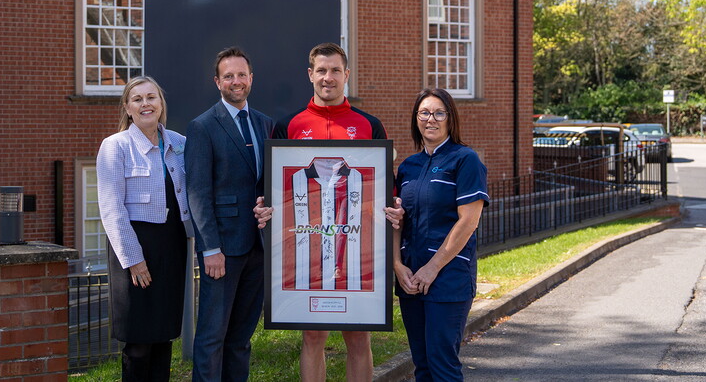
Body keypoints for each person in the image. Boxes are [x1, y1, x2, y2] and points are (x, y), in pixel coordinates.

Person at [270, 42, 387, 382]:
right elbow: (277, 190)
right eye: (321, 70)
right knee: (313, 335)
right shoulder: (289, 125)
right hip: (308, 246)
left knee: (358, 334)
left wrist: (388, 210)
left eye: (335, 70)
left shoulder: (369, 125)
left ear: (346, 75)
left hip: (357, 245)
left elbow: (383, 188)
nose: (328, 77)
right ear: (310, 75)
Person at [186, 47, 274, 382]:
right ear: (217, 82)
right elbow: (198, 193)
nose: (235, 82)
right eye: (228, 76)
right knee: (211, 338)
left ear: (251, 78)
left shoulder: (265, 124)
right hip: (221, 250)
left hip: (258, 247)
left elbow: (269, 183)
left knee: (240, 339)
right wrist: (210, 249)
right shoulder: (203, 126)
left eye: (241, 75)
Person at [96, 75, 191, 382]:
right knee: (138, 342)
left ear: (161, 104)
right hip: (134, 247)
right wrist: (134, 259)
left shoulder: (180, 144)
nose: (145, 103)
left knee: (163, 336)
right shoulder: (115, 147)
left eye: (152, 97)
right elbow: (112, 209)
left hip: (172, 244)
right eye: (137, 99)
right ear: (127, 107)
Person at [393, 88, 488, 382]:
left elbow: (468, 221)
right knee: (421, 365)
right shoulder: (408, 166)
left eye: (438, 113)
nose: (430, 119)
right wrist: (398, 265)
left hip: (448, 279)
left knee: (442, 364)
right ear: (416, 119)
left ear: (450, 118)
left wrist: (432, 268)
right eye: (424, 113)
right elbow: (397, 219)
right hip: (411, 279)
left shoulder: (465, 160)